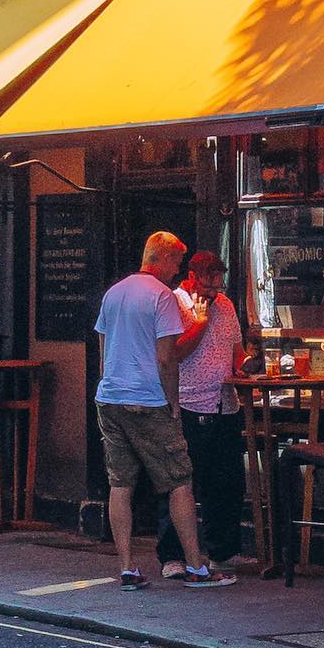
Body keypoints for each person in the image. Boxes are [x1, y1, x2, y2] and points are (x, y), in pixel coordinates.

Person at [94, 231, 236, 592]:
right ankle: (196, 568)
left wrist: (110, 386)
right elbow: (166, 358)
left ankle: (127, 569)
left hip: (110, 398)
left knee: (120, 483)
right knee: (179, 481)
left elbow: (103, 350)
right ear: (161, 258)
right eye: (175, 262)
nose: (177, 271)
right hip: (148, 399)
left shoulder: (114, 293)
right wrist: (172, 401)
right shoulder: (161, 297)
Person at [155, 251, 249, 578]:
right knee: (181, 482)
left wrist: (249, 367)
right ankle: (172, 556)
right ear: (192, 277)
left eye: (218, 285)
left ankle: (223, 550)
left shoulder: (225, 305)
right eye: (209, 286)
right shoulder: (174, 303)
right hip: (189, 403)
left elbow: (237, 352)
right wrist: (200, 321)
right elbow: (176, 352)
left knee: (225, 482)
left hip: (225, 403)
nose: (215, 293)